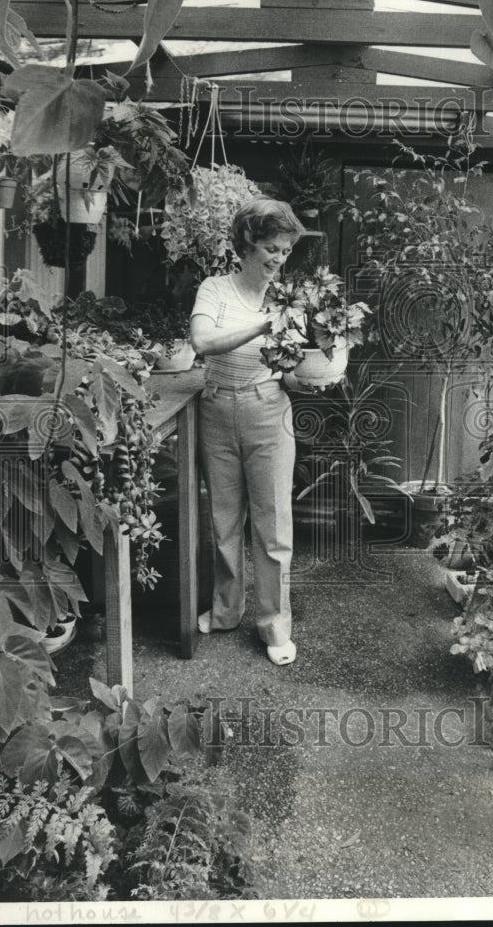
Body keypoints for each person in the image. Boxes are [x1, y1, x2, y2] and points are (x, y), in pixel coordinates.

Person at [189, 197, 306, 665]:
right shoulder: (215, 290)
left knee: (273, 525)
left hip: (268, 409)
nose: (278, 259)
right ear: (247, 244)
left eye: (285, 250)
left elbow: (292, 372)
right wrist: (263, 324)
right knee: (222, 520)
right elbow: (201, 342)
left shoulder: (289, 300)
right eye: (271, 249)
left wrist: (316, 373)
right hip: (216, 407)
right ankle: (225, 611)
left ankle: (275, 627)